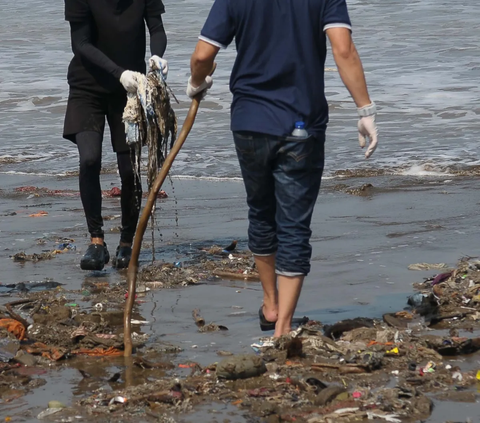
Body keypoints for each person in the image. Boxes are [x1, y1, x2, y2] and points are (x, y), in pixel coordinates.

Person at [187, 0, 378, 337]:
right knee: (293, 225)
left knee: (260, 212)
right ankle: (284, 326)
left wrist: (196, 83)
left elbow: (203, 55)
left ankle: (270, 305)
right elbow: (343, 49)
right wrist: (365, 110)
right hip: (300, 124)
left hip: (248, 122)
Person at [63, 0, 168, 271]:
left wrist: (157, 57)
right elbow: (81, 43)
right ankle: (97, 242)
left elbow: (156, 28)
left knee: (129, 170)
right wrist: (118, 72)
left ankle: (125, 243)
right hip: (87, 87)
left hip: (130, 91)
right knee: (89, 159)